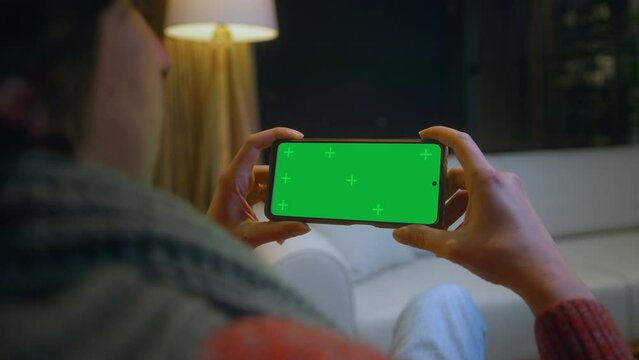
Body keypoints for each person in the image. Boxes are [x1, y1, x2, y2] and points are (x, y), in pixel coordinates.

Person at [0, 0, 632, 359]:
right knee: (450, 308)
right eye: (125, 11)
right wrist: (551, 281)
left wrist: (214, 250)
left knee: (444, 301)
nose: (164, 56)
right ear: (25, 99)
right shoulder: (258, 344)